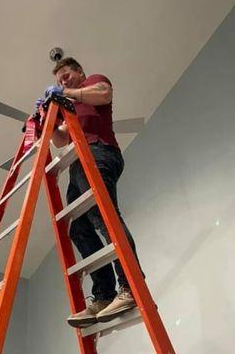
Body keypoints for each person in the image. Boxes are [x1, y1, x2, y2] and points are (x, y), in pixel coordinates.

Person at [36, 57, 144, 328]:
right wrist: (45, 124)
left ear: (79, 73)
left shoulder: (92, 82)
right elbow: (61, 139)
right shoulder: (69, 108)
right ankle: (104, 295)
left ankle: (130, 287)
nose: (62, 80)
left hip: (99, 153)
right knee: (79, 229)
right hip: (79, 163)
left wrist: (67, 93)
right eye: (58, 78)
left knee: (103, 216)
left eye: (66, 74)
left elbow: (104, 94)